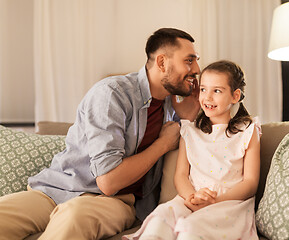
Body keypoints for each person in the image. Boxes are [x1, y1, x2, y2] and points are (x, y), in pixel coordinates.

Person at [0, 28, 201, 240]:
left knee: (73, 216)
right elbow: (109, 177)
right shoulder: (113, 94)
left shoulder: (174, 109)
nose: (196, 69)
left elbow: (108, 187)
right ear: (162, 62)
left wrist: (187, 118)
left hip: (114, 201)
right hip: (55, 189)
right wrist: (162, 145)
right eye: (189, 61)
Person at [124, 60, 261, 240]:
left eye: (217, 91)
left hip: (228, 203)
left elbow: (250, 183)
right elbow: (181, 175)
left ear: (235, 96)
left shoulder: (248, 130)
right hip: (191, 198)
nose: (208, 97)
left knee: (191, 229)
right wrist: (191, 197)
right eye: (203, 89)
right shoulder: (191, 130)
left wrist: (215, 201)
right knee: (161, 217)